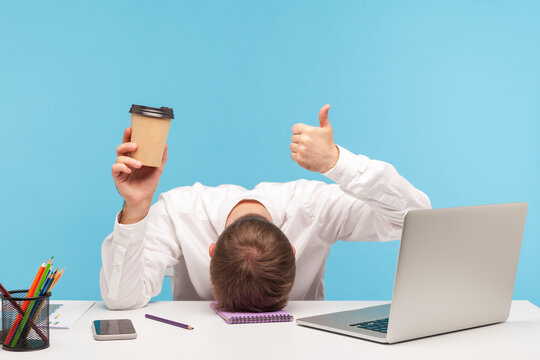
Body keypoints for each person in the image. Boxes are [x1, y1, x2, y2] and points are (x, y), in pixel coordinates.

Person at [100, 105, 431, 311]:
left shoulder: (314, 207)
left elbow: (415, 220)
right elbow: (121, 299)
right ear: (291, 247)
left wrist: (337, 163)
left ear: (212, 251)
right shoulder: (178, 212)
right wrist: (136, 206)